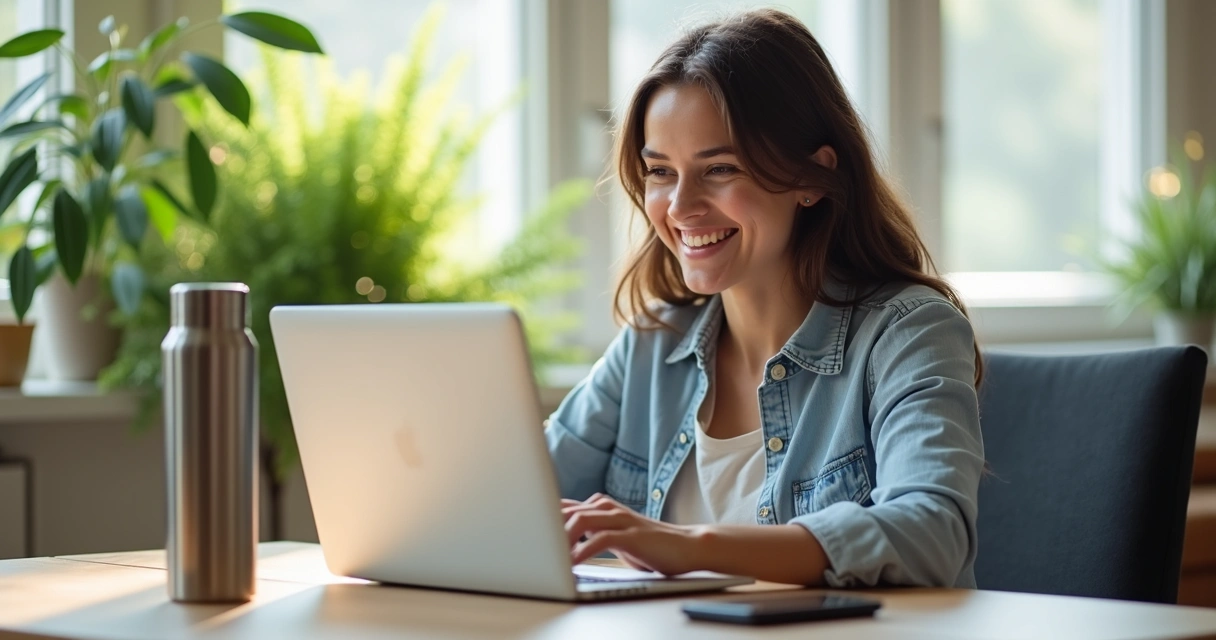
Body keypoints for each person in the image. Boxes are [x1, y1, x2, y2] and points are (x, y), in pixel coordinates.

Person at [544, 8, 985, 588]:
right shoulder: (652, 346)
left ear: (810, 177)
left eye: (720, 168)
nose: (679, 207)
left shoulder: (909, 332)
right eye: (659, 172)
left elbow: (931, 534)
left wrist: (690, 546)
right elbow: (513, 501)